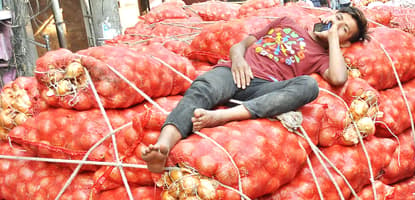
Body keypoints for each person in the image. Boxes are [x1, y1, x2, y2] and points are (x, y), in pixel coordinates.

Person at [140, 7, 367, 173]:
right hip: (235, 72)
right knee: (202, 88)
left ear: (345, 42)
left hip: (264, 89)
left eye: (343, 28)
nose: (335, 25)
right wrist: (238, 59)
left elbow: (338, 78)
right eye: (336, 18)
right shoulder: (287, 22)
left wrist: (334, 39)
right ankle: (163, 146)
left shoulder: (321, 56)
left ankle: (220, 117)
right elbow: (241, 44)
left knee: (309, 86)